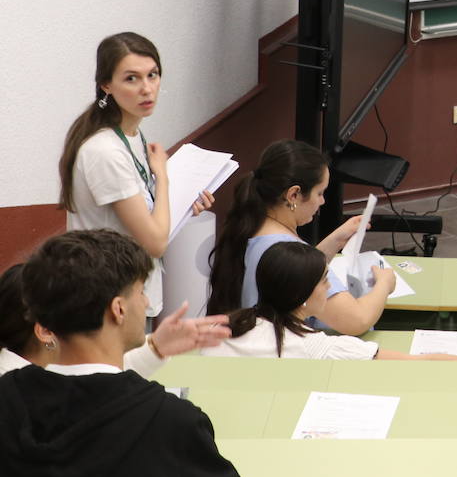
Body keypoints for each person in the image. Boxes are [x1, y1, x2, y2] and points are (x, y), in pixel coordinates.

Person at [0, 230, 250, 477]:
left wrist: (154, 348)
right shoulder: (172, 422)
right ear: (118, 308)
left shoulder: (8, 399)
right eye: (141, 292)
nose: (146, 302)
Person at [58, 32, 213, 319]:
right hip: (107, 300)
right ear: (106, 85)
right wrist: (163, 178)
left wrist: (183, 205)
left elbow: (143, 216)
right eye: (131, 78)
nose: (147, 89)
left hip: (133, 293)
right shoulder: (105, 150)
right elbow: (154, 241)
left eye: (152, 75)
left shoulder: (133, 136)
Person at [207, 242, 457, 361]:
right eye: (324, 280)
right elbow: (420, 365)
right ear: (301, 296)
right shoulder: (319, 348)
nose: (331, 286)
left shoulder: (221, 329)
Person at [207, 139, 392, 335]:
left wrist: (335, 240)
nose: (322, 201)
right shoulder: (283, 250)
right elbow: (357, 320)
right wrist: (383, 284)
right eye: (319, 193)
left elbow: (289, 277)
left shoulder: (251, 229)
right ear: (293, 195)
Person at [0, 262, 229, 377]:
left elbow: (95, 376)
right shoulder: (23, 398)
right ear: (45, 331)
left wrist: (156, 347)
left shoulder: (36, 374)